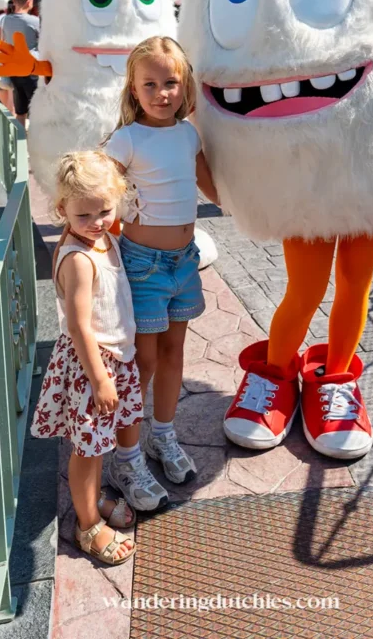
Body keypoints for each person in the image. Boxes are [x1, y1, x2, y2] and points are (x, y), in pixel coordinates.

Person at [103, 36, 218, 510]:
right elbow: (101, 191)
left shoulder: (189, 134)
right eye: (149, 83)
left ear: (184, 84)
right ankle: (125, 457)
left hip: (183, 262)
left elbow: (213, 187)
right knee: (141, 364)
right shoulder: (126, 139)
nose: (162, 92)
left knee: (173, 354)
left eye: (171, 82)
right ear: (133, 88)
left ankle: (162, 437)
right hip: (142, 266)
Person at [30, 150, 139, 566]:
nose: (96, 222)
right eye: (83, 216)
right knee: (88, 449)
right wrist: (99, 378)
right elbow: (78, 326)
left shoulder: (102, 237)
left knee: (101, 442)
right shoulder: (77, 258)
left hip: (113, 358)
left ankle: (93, 503)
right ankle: (88, 523)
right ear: (62, 210)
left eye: (105, 211)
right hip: (92, 364)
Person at [1, 0, 40, 127]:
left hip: (14, 69)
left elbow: (3, 41)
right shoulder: (34, 21)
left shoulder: (5, 21)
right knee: (37, 110)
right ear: (29, 2)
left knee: (20, 112)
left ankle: (20, 143)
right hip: (32, 70)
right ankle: (38, 143)